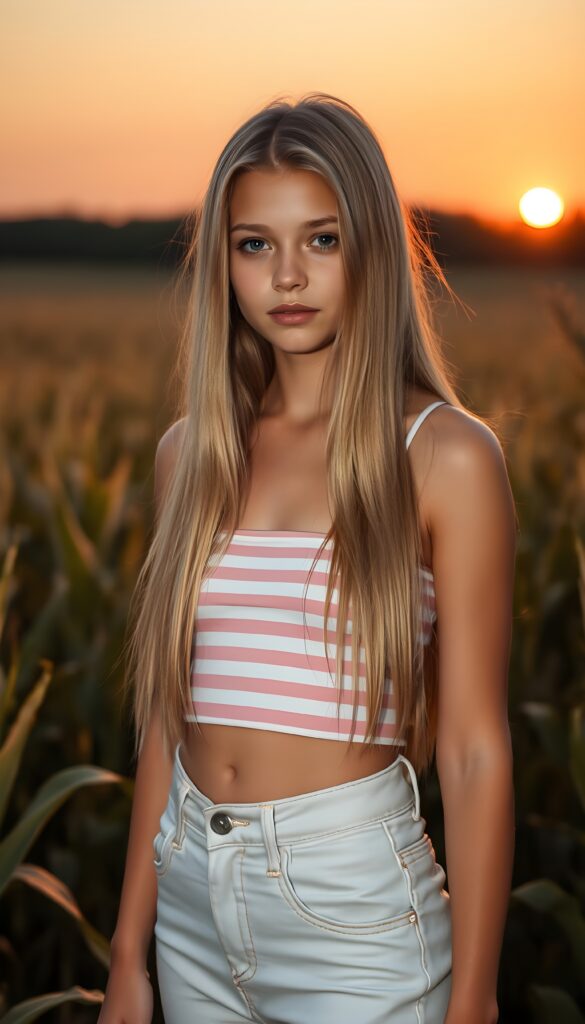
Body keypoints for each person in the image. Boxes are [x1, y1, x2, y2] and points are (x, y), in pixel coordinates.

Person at [98, 93, 517, 1024]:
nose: (287, 276)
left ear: (369, 246)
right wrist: (130, 952)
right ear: (224, 262)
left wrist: (476, 1000)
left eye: (320, 240)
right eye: (255, 244)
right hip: (190, 906)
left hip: (352, 915)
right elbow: (165, 722)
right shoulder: (190, 455)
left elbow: (475, 748)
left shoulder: (443, 455)